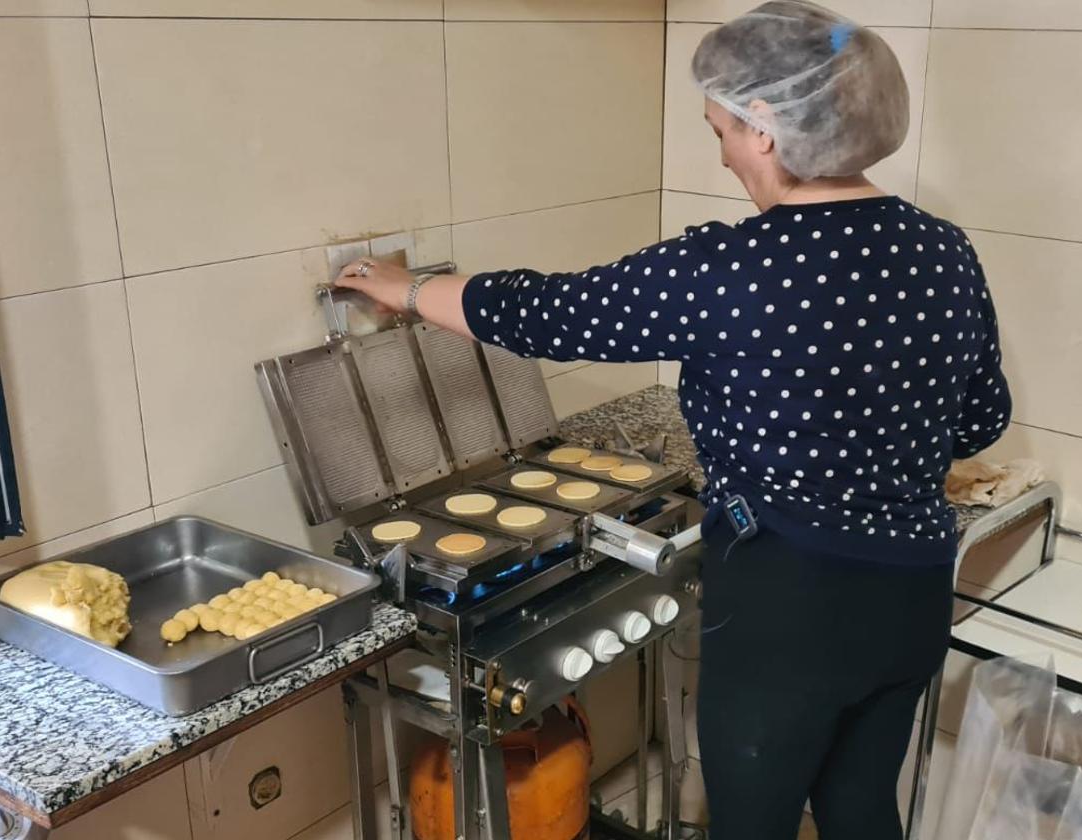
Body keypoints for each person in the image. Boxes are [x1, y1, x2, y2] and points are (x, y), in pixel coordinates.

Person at [336, 2, 1011, 837]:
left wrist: (399, 288)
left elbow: (552, 312)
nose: (721, 152)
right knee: (863, 806)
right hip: (910, 590)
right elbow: (981, 418)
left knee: (751, 822)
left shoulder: (729, 268)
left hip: (789, 607)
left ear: (764, 129)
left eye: (720, 129)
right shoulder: (944, 250)